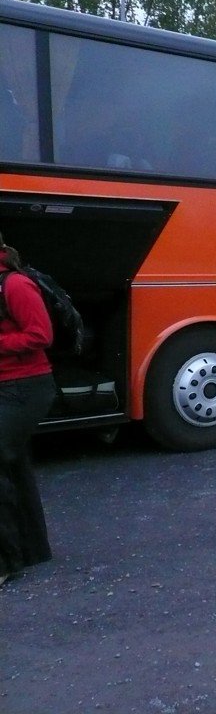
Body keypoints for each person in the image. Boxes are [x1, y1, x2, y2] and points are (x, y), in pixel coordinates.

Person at [0, 231, 57, 588]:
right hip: (7, 386)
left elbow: (41, 334)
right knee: (14, 465)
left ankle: (4, 562)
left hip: (26, 388)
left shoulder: (16, 284)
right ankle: (31, 550)